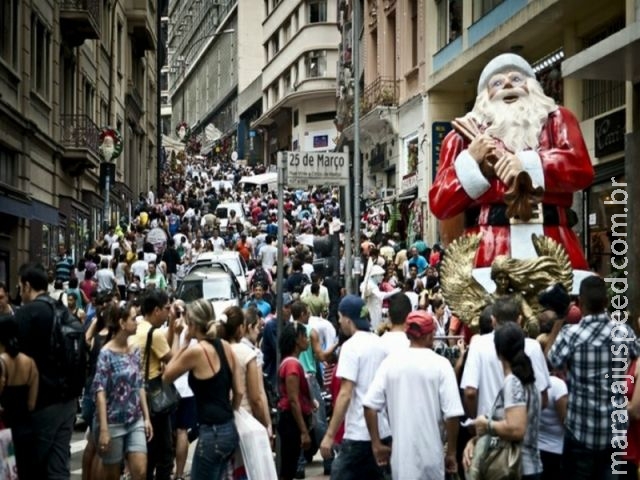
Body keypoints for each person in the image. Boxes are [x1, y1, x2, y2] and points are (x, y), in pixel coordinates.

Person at [428, 53, 594, 275]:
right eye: (496, 83)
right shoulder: (461, 137)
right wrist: (472, 162)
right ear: (484, 97)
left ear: (533, 86)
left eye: (516, 79)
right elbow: (440, 202)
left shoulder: (557, 120)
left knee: (561, 307)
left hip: (554, 242)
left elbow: (581, 169)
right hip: (488, 247)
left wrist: (528, 164)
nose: (507, 83)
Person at [547, 276, 637, 479]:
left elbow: (551, 362)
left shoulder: (571, 335)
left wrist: (559, 322)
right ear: (606, 302)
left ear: (580, 302)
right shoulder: (623, 332)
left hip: (580, 431)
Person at [363, 310, 463, 478]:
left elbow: (370, 406)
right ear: (430, 334)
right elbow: (452, 415)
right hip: (432, 459)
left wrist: (376, 444)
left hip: (401, 462)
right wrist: (451, 452)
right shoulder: (441, 365)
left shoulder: (390, 363)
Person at [162, 298, 242, 480]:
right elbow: (239, 391)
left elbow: (167, 375)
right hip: (228, 427)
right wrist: (231, 411)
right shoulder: (226, 346)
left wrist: (182, 342)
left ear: (192, 324)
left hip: (211, 432)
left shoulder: (196, 351)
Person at [15, 263, 78, 479]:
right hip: (69, 400)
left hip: (41, 401)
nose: (19, 292)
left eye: (19, 287)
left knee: (31, 465)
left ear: (27, 286)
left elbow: (15, 355)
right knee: (59, 465)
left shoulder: (27, 313)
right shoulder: (63, 310)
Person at [319, 295, 392, 480]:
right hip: (382, 431)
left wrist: (329, 435)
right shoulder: (380, 344)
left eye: (340, 317)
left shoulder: (351, 347)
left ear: (348, 319)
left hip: (359, 433)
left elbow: (345, 393)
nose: (340, 322)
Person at [463, 323, 543, 480]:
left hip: (517, 468)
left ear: (498, 352)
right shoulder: (529, 381)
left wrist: (485, 424)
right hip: (529, 466)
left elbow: (516, 429)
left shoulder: (513, 382)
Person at [460, 296, 550, 420]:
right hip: (524, 429)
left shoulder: (478, 344)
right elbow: (543, 398)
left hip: (489, 428)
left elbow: (470, 392)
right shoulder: (533, 347)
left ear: (493, 320)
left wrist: (476, 420)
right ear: (519, 320)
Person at [92, 302, 153, 480]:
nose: (137, 322)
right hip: (113, 422)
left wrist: (146, 417)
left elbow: (139, 384)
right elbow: (100, 392)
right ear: (122, 323)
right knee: (112, 474)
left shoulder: (134, 350)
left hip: (135, 419)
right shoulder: (106, 353)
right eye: (133, 319)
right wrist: (104, 428)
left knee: (140, 470)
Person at [130, 289, 173, 480]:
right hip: (154, 396)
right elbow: (173, 359)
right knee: (164, 454)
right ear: (156, 310)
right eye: (167, 308)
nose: (169, 312)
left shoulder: (137, 327)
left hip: (137, 394)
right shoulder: (154, 334)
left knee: (147, 449)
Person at [0, 314, 39, 479]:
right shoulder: (30, 362)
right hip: (26, 427)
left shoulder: (1, 362)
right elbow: (32, 403)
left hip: (5, 428)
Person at [276, 322, 314, 480]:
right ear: (297, 339)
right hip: (291, 421)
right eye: (304, 336)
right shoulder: (292, 364)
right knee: (288, 469)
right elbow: (293, 400)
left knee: (289, 467)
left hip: (291, 419)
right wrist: (304, 431)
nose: (307, 340)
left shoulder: (291, 363)